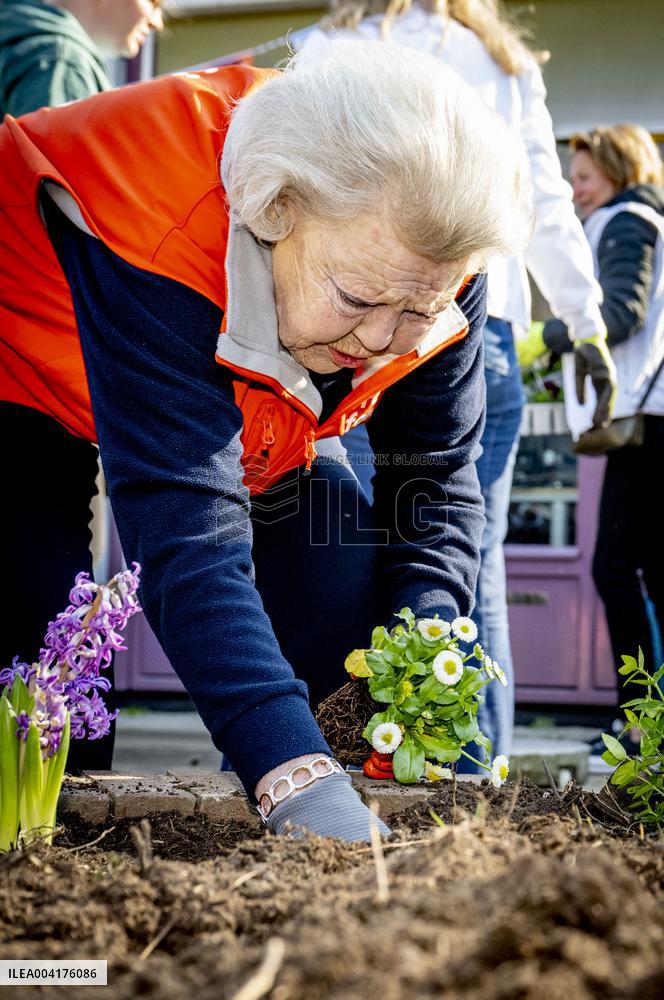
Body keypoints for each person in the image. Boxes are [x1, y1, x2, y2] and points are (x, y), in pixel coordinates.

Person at [0, 42, 533, 840]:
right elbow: (188, 526)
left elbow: (434, 478)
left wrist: (422, 659)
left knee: (339, 578)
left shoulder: (433, 251)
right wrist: (294, 775)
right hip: (23, 364)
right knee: (51, 663)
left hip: (258, 392)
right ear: (274, 210)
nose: (380, 341)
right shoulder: (156, 207)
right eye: (356, 297)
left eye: (414, 313)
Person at [295, 0, 615, 768]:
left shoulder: (327, 42)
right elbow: (542, 198)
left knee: (352, 542)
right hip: (475, 322)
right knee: (466, 560)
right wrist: (586, 319)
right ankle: (469, 778)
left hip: (362, 315)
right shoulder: (500, 59)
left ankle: (344, 757)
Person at [0, 0, 163, 773]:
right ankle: (66, 815)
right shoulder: (54, 53)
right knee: (51, 625)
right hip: (27, 387)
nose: (157, 16)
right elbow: (70, 231)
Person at [543, 125, 664, 752]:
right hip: (651, 417)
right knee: (645, 570)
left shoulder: (627, 221)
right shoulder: (644, 220)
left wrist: (546, 336)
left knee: (613, 568)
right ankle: (647, 721)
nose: (575, 189)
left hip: (649, 422)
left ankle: (639, 720)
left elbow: (621, 312)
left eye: (585, 176)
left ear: (619, 171)